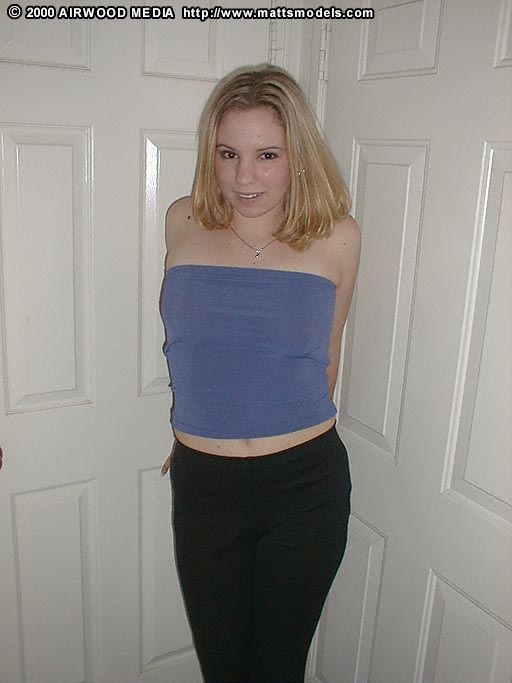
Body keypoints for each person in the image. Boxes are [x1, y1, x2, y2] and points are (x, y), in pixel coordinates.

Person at [159, 64, 361, 683]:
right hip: (204, 485)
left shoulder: (337, 236)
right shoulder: (182, 220)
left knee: (276, 670)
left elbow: (327, 355)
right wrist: (199, 428)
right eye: (228, 154)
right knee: (223, 669)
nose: (244, 178)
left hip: (303, 484)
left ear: (298, 156)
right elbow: (195, 345)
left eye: (267, 155)